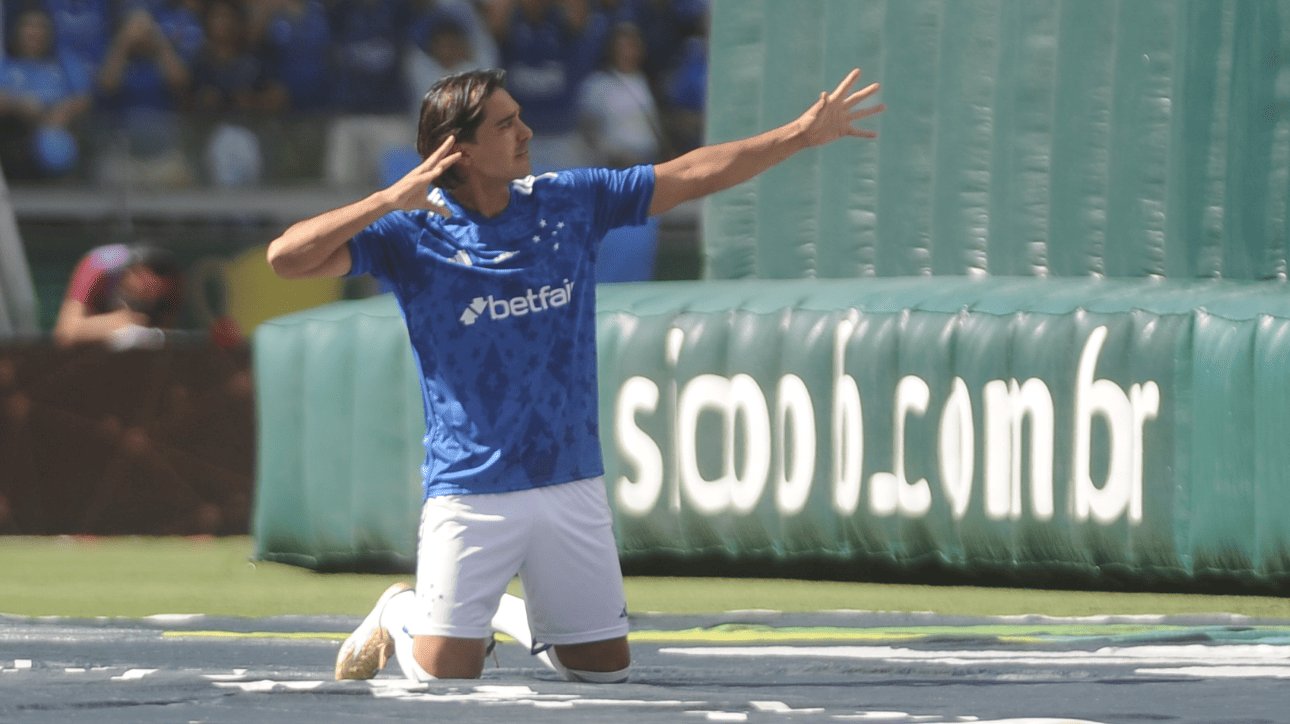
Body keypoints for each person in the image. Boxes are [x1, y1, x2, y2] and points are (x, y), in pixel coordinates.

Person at [265, 66, 883, 683]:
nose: (526, 132)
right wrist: (385, 201)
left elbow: (690, 173)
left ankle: (505, 616)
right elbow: (286, 259)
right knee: (441, 682)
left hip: (570, 478)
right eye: (506, 124)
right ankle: (401, 612)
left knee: (602, 675)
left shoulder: (567, 200)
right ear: (460, 150)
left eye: (520, 118)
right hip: (472, 488)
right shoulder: (410, 232)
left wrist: (800, 134)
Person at [53, 243, 183, 349]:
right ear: (133, 272)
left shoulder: (172, 286)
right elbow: (65, 332)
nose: (150, 296)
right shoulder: (97, 266)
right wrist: (122, 322)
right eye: (146, 288)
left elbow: (165, 333)